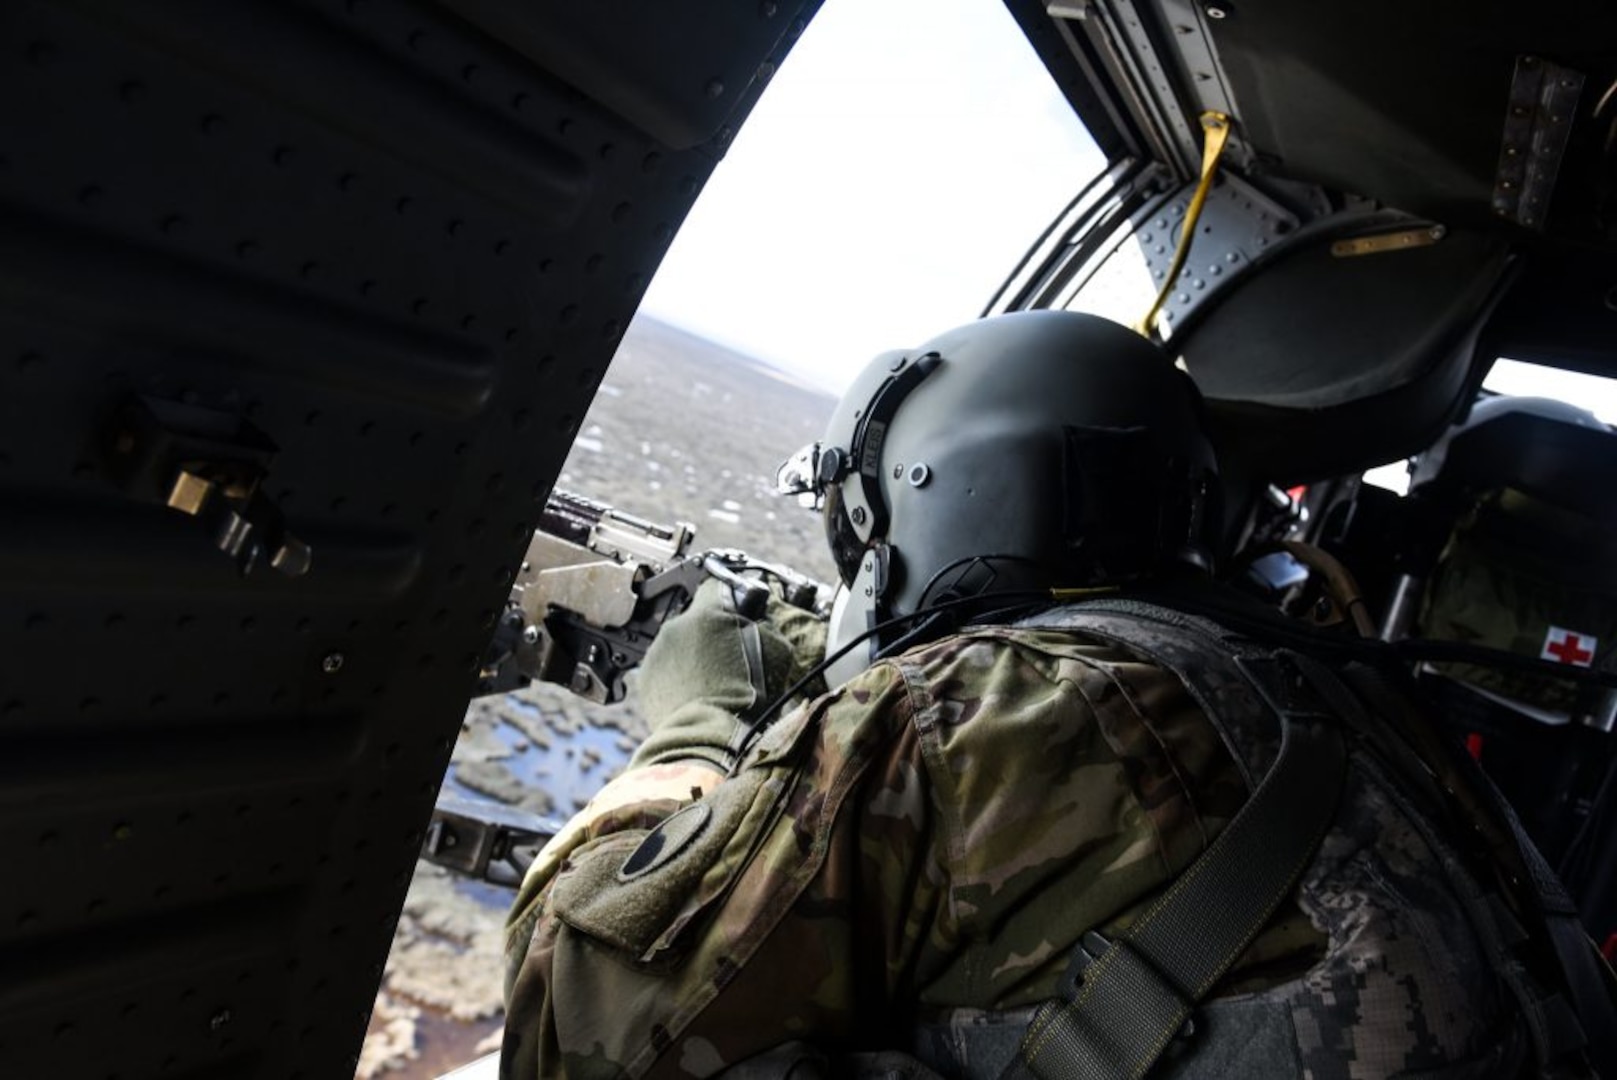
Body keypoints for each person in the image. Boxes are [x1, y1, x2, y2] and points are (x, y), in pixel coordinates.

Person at [502, 310, 1612, 1079]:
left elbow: (576, 1027)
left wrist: (696, 737)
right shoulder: (1337, 692)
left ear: (941, 491)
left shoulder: (978, 707)